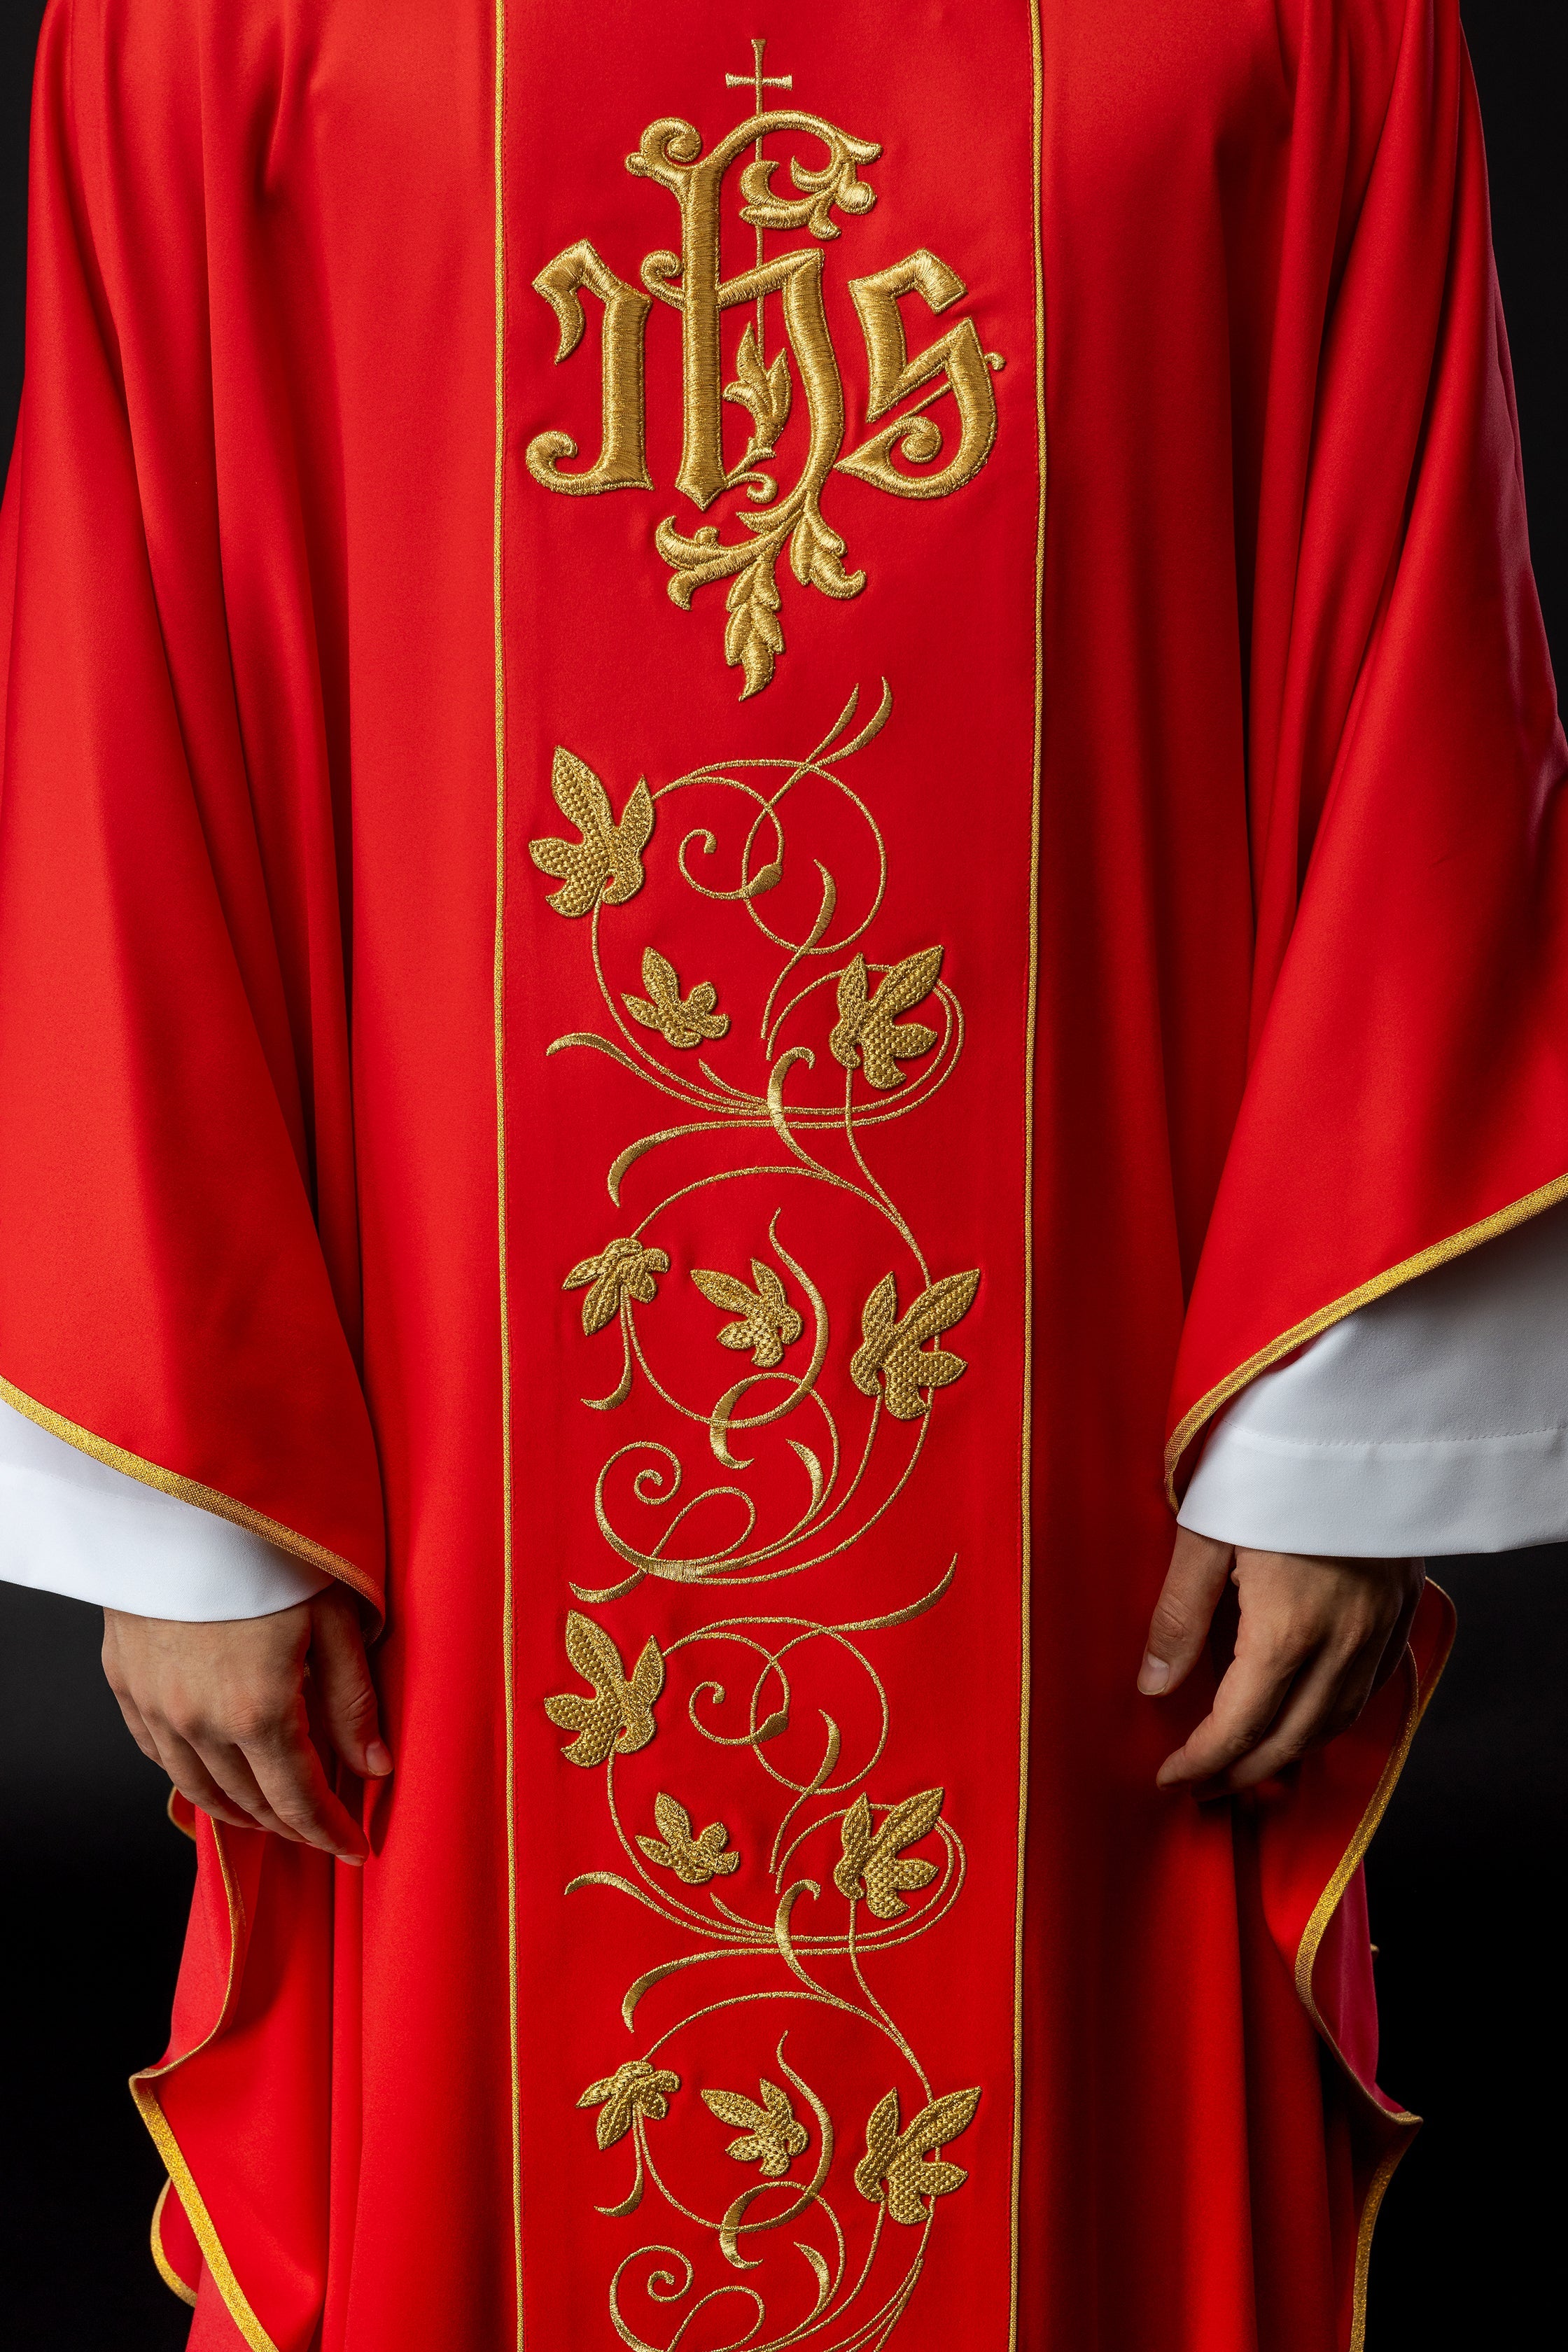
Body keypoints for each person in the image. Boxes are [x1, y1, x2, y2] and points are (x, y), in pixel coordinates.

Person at [1, 1, 1563, 2346]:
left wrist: (1338, 1429)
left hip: (1093, 1457)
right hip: (446, 1456)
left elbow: (1423, 652)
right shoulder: (220, 18)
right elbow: (112, 682)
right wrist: (185, 1502)